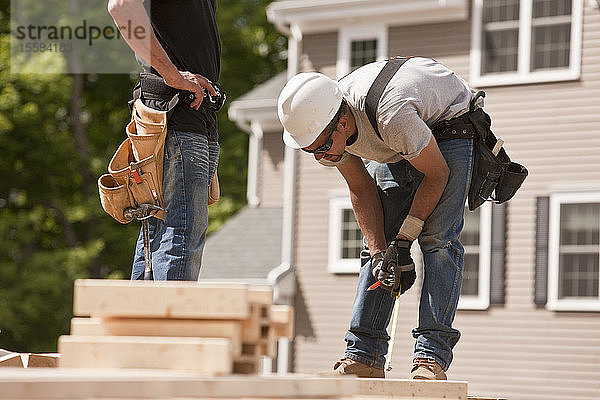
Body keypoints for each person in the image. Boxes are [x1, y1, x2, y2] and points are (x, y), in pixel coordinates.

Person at [277, 57, 485, 379]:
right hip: (398, 138)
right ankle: (363, 357)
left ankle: (430, 358)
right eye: (311, 152)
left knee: (438, 241)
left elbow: (436, 173)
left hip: (450, 126)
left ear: (343, 124)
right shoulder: (328, 121)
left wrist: (404, 240)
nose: (321, 157)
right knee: (377, 251)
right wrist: (381, 253)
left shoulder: (391, 114)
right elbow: (360, 187)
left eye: (322, 148)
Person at [108, 0, 221, 281]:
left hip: (193, 115)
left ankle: (144, 324)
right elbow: (121, 6)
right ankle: (168, 325)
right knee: (179, 233)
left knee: (159, 236)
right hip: (176, 112)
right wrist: (172, 75)